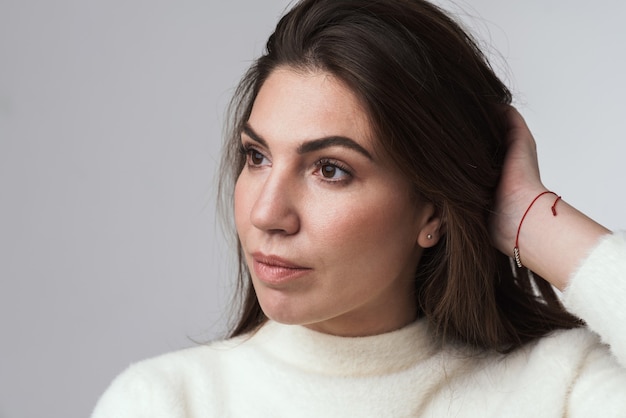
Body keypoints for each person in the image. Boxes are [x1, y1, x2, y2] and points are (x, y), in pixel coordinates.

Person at [92, 0, 626, 416]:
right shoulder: (164, 404)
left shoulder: (558, 390)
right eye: (256, 157)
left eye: (330, 169)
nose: (266, 214)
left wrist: (526, 217)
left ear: (433, 213)